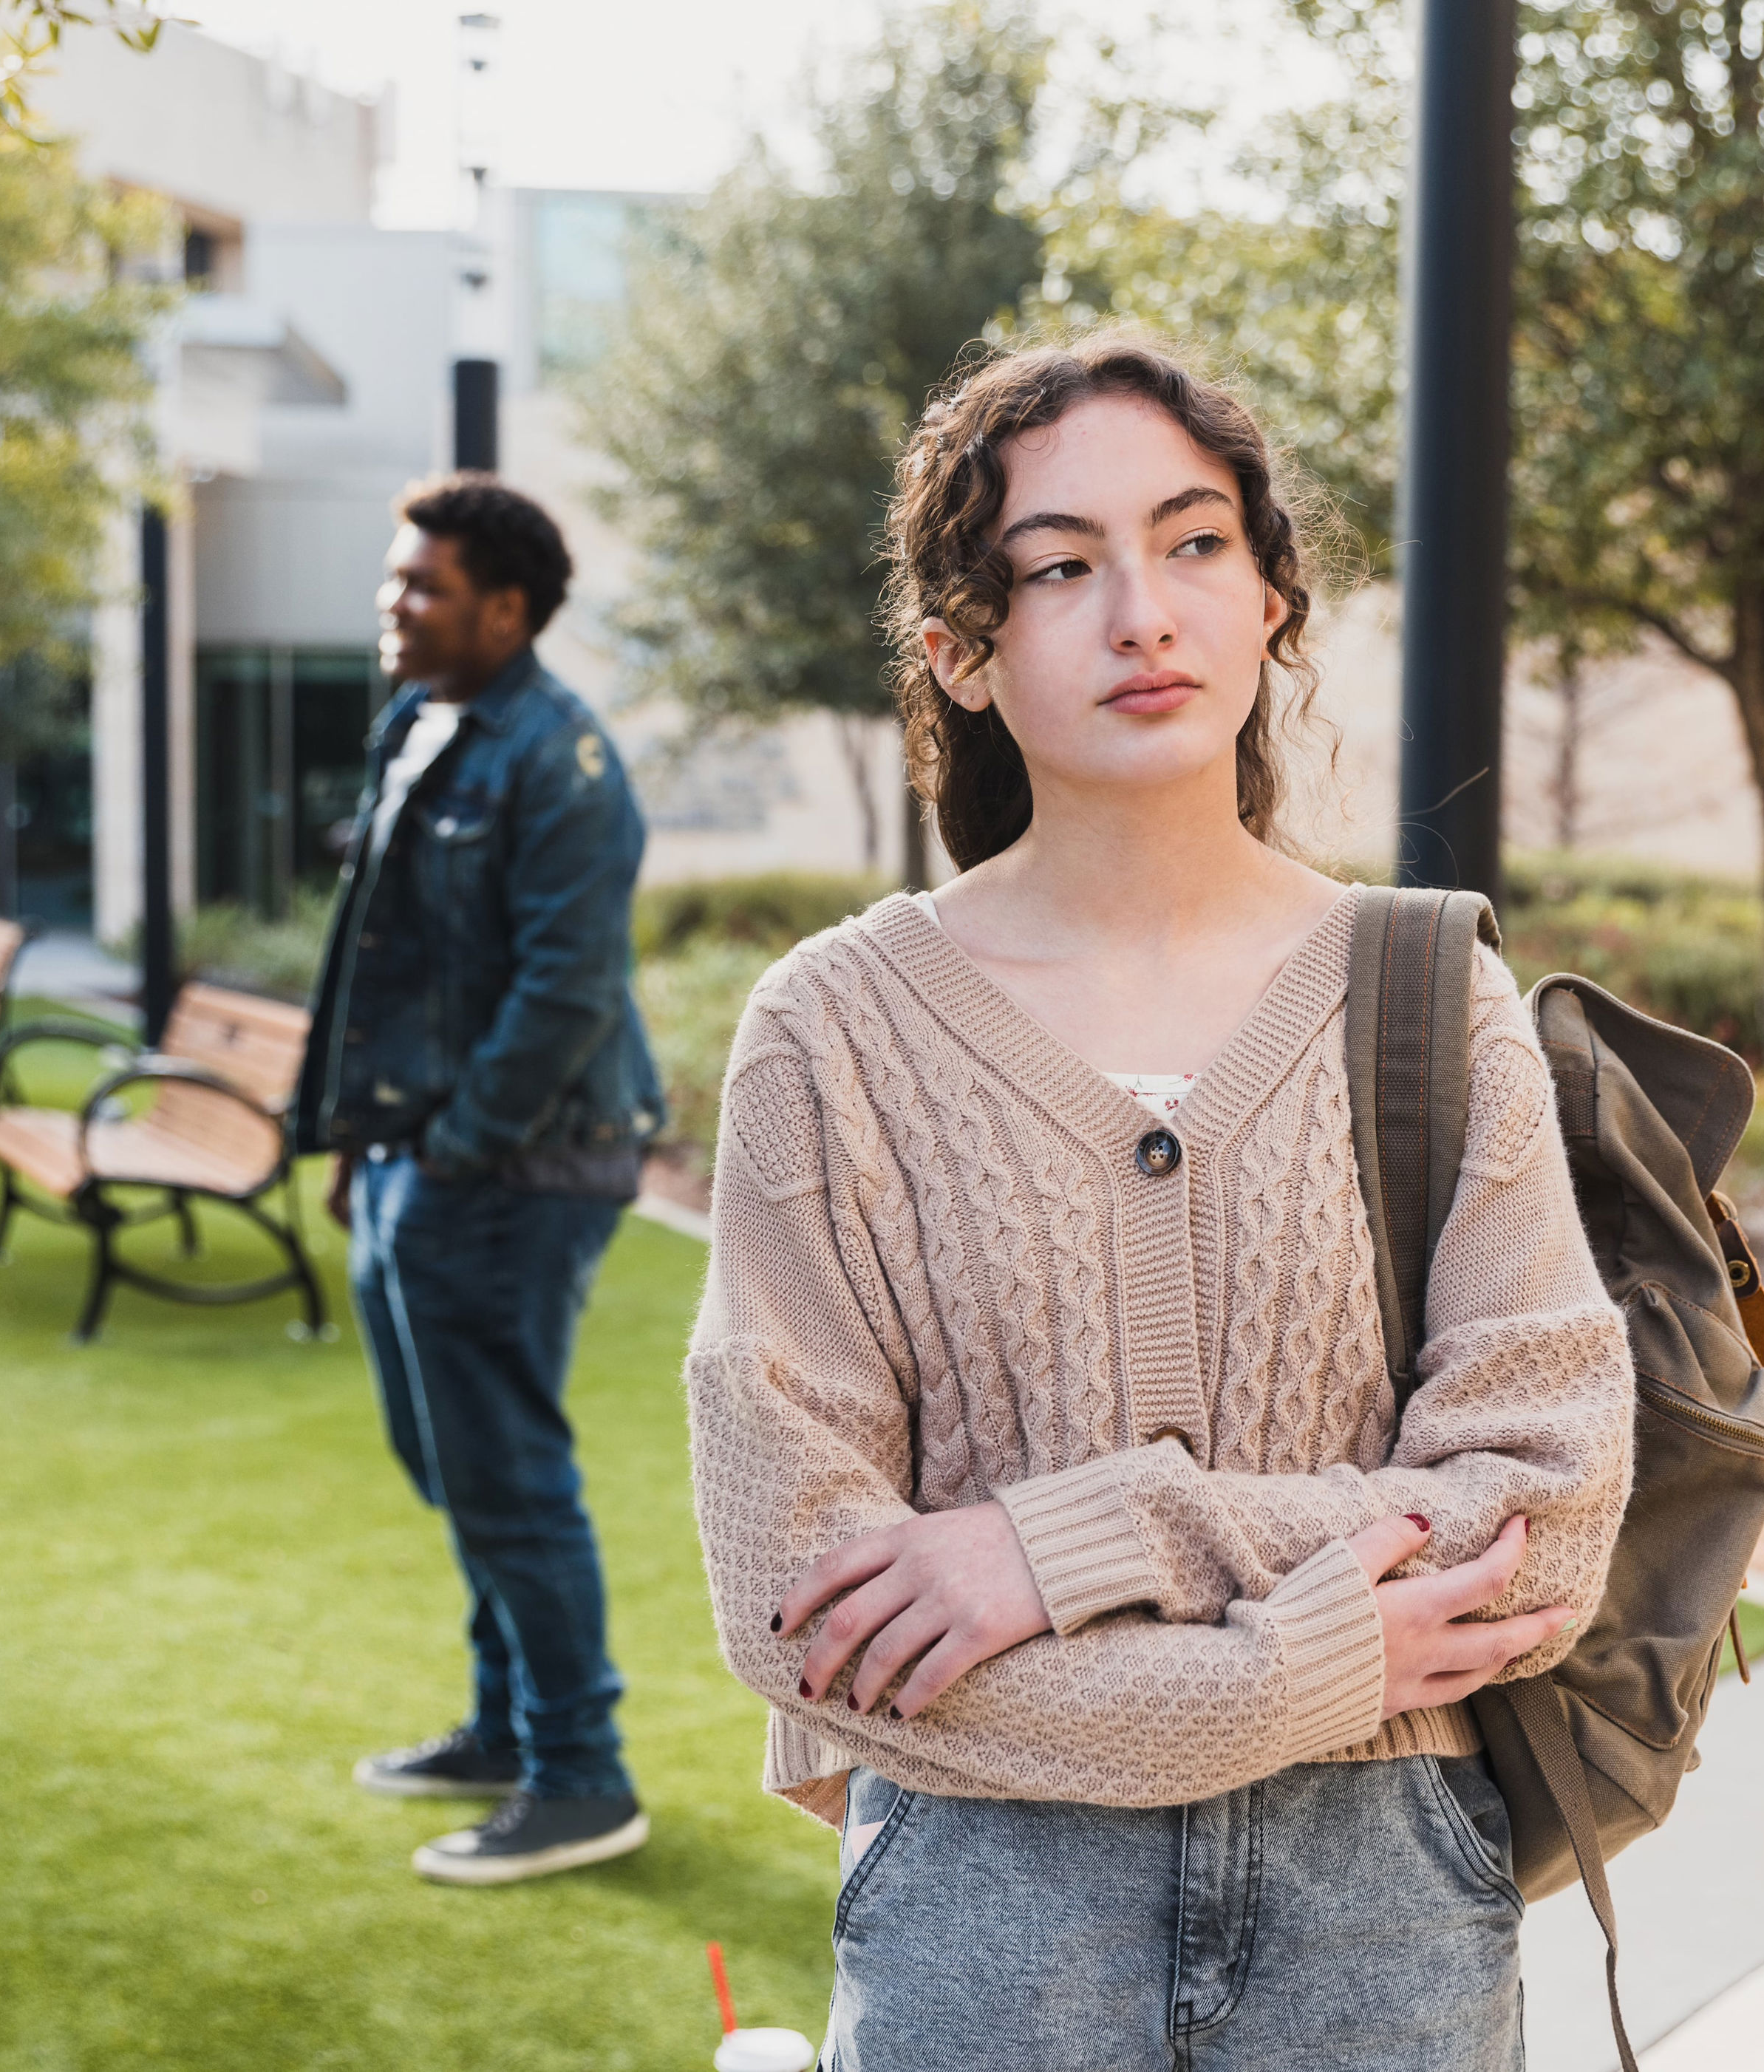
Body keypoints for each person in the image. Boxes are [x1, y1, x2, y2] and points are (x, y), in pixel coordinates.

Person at [682, 335, 1638, 2071]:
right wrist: (1298, 1672)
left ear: (1274, 598)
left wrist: (1055, 1548)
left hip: (1386, 1907)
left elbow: (1538, 1520)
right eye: (1061, 567)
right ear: (960, 657)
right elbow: (800, 1612)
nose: (1144, 611)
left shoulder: (1424, 994)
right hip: (992, 1906)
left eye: (1196, 544)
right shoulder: (828, 1033)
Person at [296, 474, 668, 1885]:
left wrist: (449, 1151)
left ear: (505, 610)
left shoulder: (559, 761)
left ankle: (583, 1774)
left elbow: (566, 989)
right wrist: (357, 1137)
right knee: (448, 1456)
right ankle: (506, 1727)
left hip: (518, 1166)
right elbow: (380, 956)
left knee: (506, 1472)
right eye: (396, 581)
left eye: (422, 587)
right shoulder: (423, 726)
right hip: (415, 1156)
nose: (394, 606)